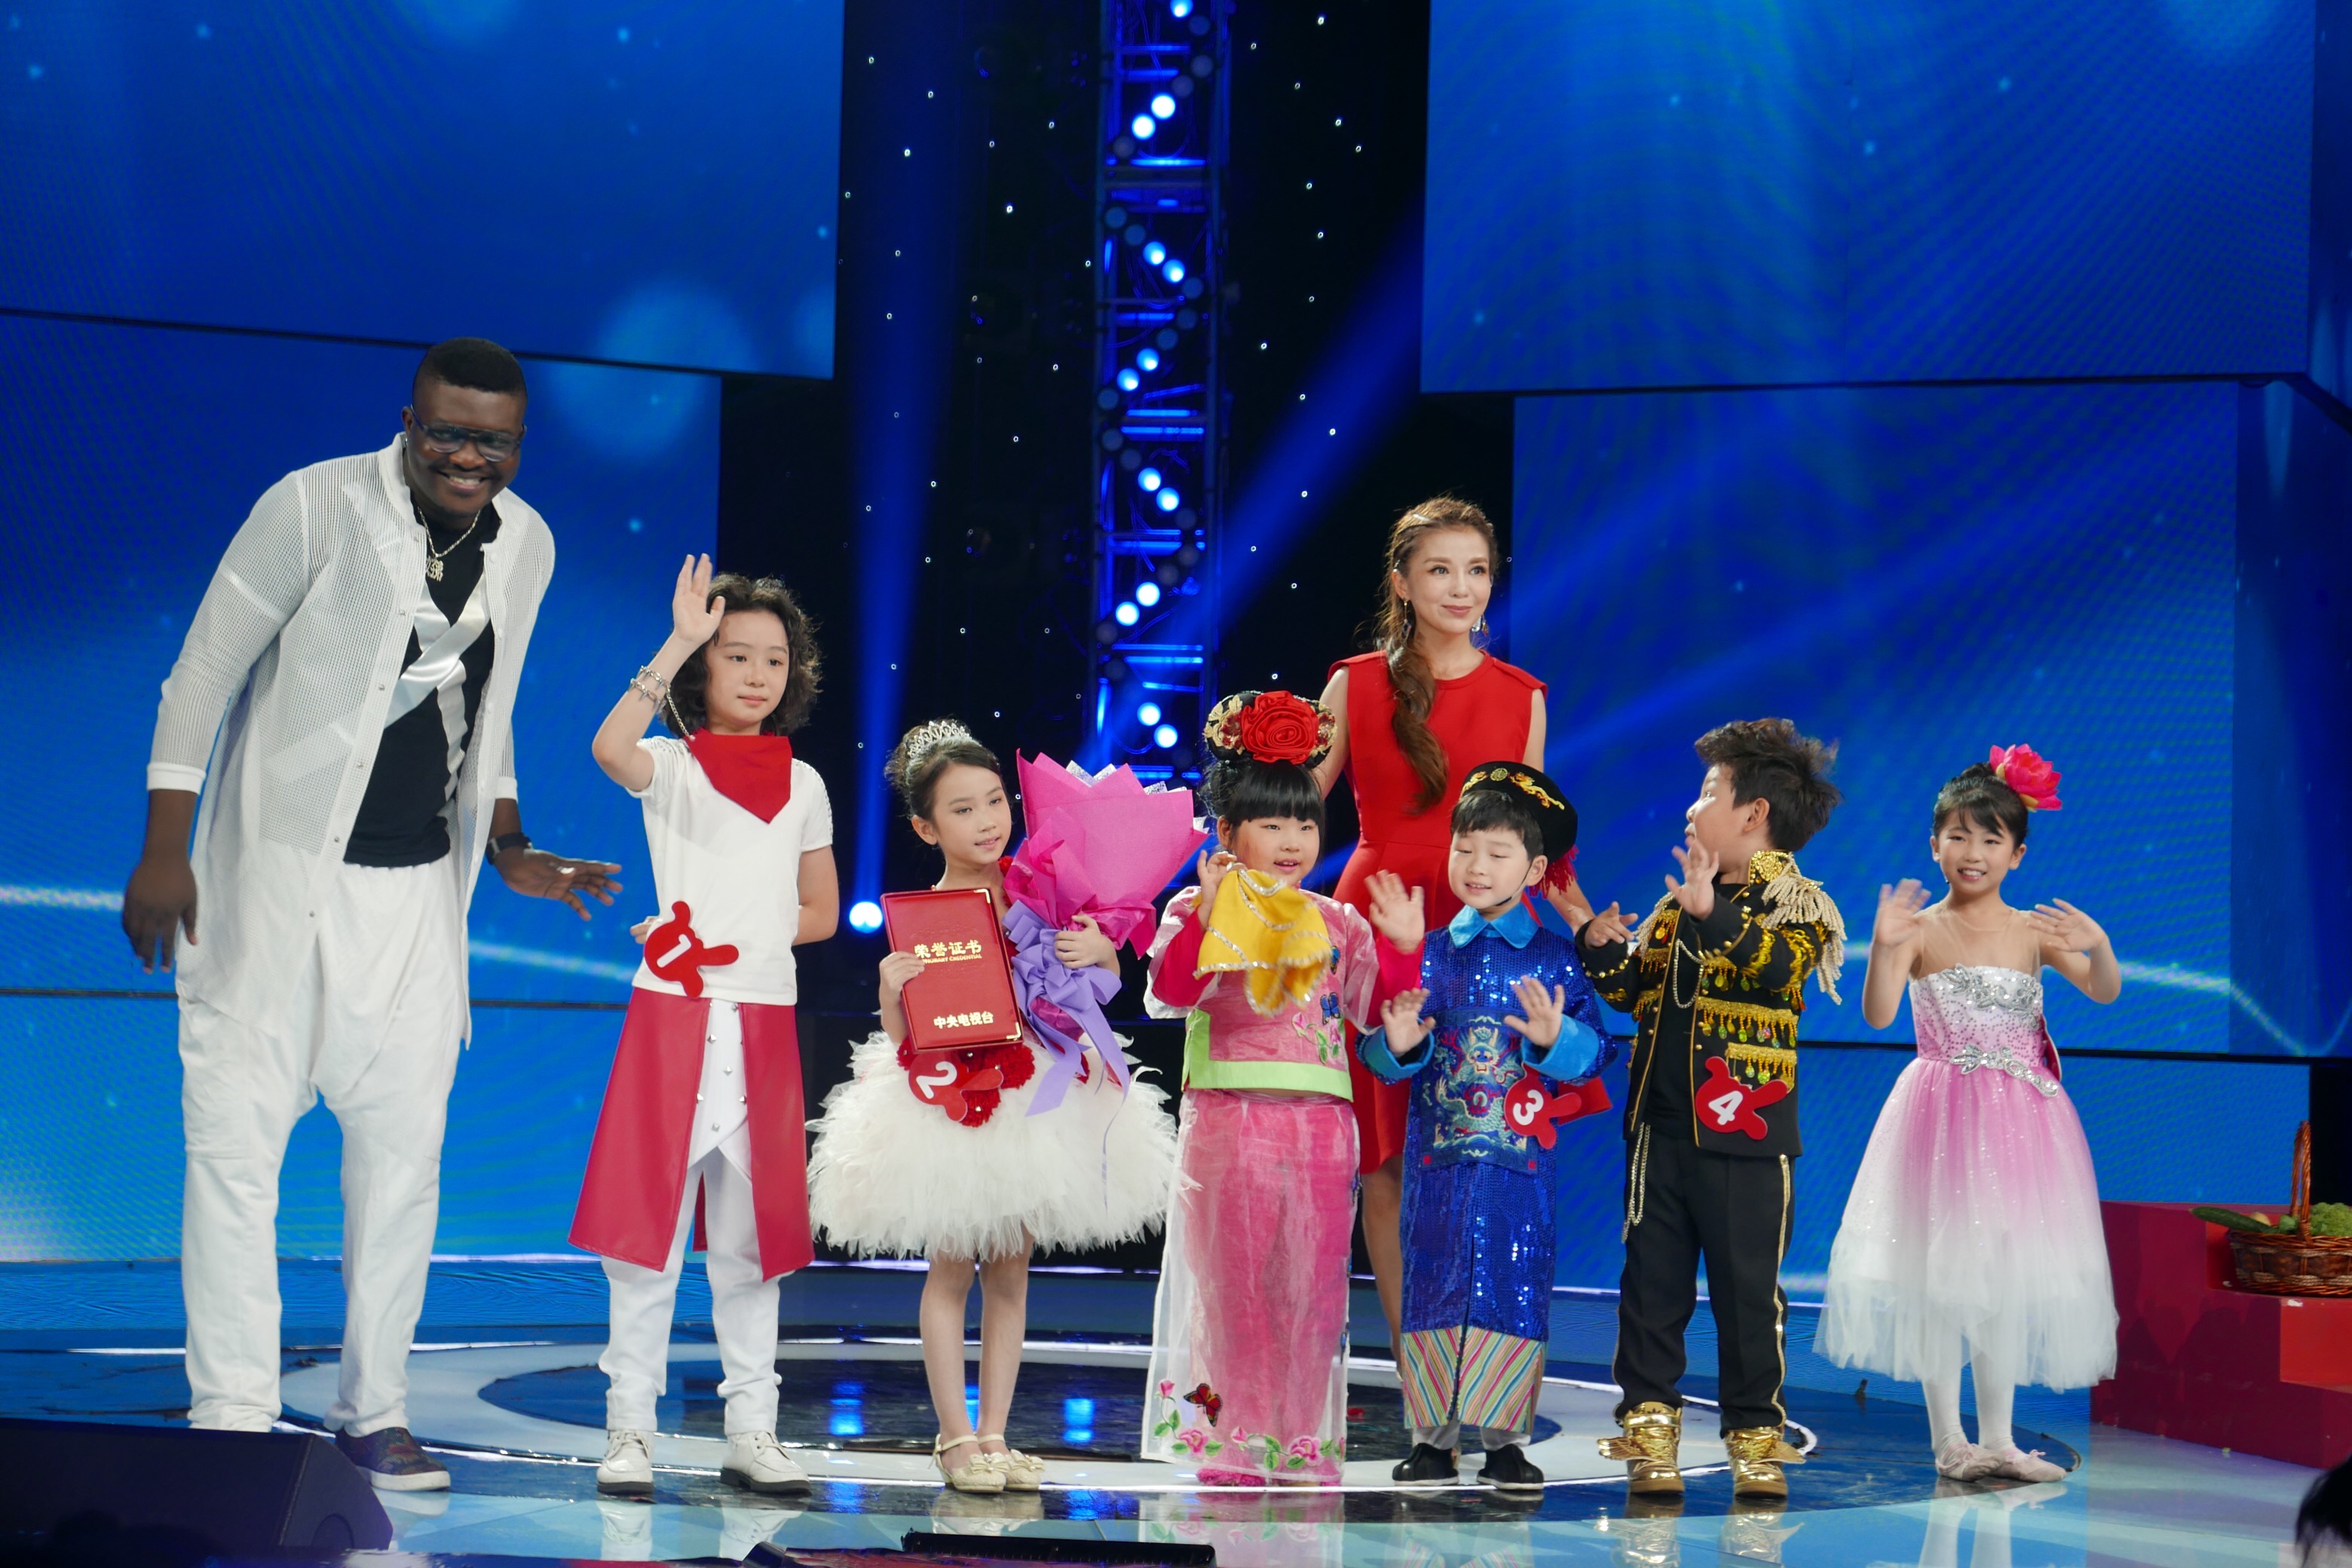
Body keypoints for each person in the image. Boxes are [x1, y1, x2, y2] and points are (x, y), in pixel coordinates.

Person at [122, 338, 621, 1489]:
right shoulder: (312, 506)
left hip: (416, 909)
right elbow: (199, 679)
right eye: (447, 432)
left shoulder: (530, 543)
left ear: (519, 443)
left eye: (493, 441)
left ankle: (374, 1410)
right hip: (272, 894)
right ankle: (234, 1421)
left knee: (402, 1172)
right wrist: (163, 849)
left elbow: (486, 703)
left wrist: (508, 843)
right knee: (234, 1162)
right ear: (408, 421)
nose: (467, 457)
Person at [805, 720, 1177, 1494]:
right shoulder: (926, 916)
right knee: (951, 1268)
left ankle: (998, 1435)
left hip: (1038, 1095)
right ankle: (954, 1436)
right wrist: (891, 992)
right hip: (955, 1099)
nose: (987, 820)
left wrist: (1099, 953)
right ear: (926, 827)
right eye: (963, 809)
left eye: (995, 801)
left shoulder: (1045, 885)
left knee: (1012, 1272)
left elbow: (1095, 986)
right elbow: (908, 1039)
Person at [571, 556, 838, 1499]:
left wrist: (735, 935)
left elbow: (821, 910)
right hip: (673, 1015)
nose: (758, 674)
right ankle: (629, 1430)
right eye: (736, 655)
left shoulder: (805, 783)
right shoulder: (674, 765)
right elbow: (608, 748)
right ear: (705, 668)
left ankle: (752, 1430)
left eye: (774, 658)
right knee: (643, 1238)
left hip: (761, 1020)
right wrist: (677, 638)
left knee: (750, 1245)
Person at [1312, 498, 1592, 1355]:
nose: (1461, 587)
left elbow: (1534, 835)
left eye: (1477, 571)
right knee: (1386, 1156)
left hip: (1486, 925)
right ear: (1402, 581)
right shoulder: (1355, 682)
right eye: (1439, 569)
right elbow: (1293, 805)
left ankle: (1478, 1352)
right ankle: (1418, 1369)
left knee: (1477, 1143)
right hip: (1381, 913)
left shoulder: (1522, 696)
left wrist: (1584, 924)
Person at [1139, 691, 1424, 1487]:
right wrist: (1207, 914)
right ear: (1228, 833)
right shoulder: (1196, 906)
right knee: (1232, 1288)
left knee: (1310, 1288)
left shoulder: (1339, 921)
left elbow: (1378, 1014)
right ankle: (1231, 1442)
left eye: (1305, 823)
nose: (1294, 840)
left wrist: (1404, 949)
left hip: (1322, 1126)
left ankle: (1297, 1440)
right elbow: (1172, 990)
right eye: (1272, 824)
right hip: (1229, 1117)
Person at [1816, 747, 2119, 1484]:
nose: (1973, 852)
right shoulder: (1919, 929)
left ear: (2018, 854)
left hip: (2022, 1128)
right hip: (1941, 1119)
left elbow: (2103, 990)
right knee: (1941, 1278)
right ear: (1934, 845)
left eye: (1990, 838)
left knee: (2001, 1281)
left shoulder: (2033, 931)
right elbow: (1879, 1012)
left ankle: (2002, 1441)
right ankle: (1950, 1441)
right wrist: (1884, 947)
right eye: (1958, 835)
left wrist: (2101, 946)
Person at [1579, 718, 1845, 1502]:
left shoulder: (1797, 901)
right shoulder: (1674, 909)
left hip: (1746, 1138)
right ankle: (1650, 1432)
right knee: (1650, 1292)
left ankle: (1755, 1439)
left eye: (1707, 793)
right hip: (1661, 1133)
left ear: (1753, 813)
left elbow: (1777, 970)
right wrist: (1594, 939)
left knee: (1747, 1296)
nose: (1692, 809)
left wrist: (1709, 914)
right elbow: (1634, 994)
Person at [1357, 762, 1615, 1492]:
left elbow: (1597, 1053)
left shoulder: (1558, 958)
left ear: (1533, 869)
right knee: (1431, 1286)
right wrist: (1397, 1043)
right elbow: (1380, 1054)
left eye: (1497, 853)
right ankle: (1431, 1439)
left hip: (1519, 1169)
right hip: (1436, 1165)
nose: (1476, 865)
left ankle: (1506, 1441)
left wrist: (1555, 1037)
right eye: (1464, 848)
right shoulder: (1430, 949)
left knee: (1515, 1286)